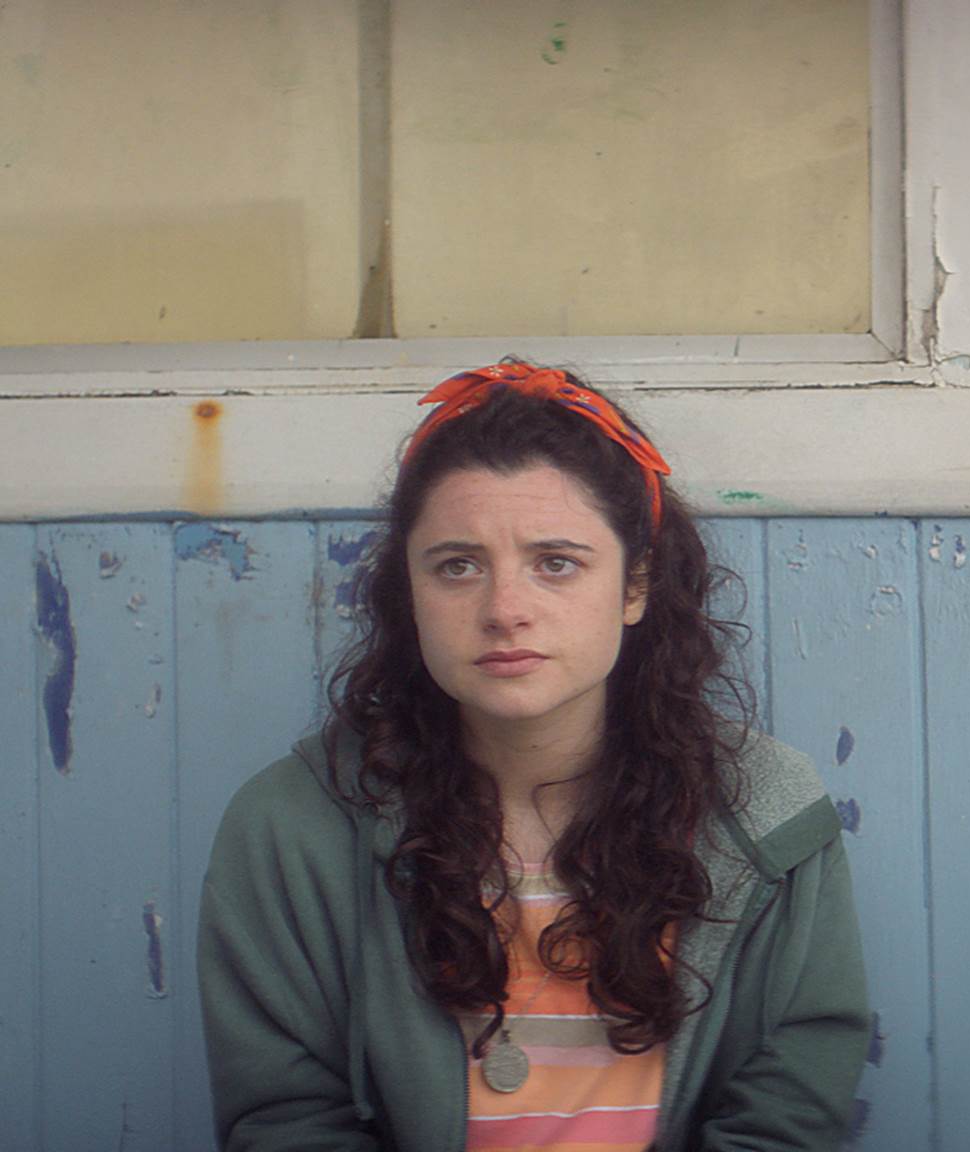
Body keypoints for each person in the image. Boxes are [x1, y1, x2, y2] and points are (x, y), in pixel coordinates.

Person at [198, 359, 869, 1151]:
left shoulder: (768, 815)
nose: (504, 609)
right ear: (409, 592)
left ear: (635, 587)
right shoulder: (290, 828)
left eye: (556, 562)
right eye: (457, 566)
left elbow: (789, 1106)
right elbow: (284, 1119)